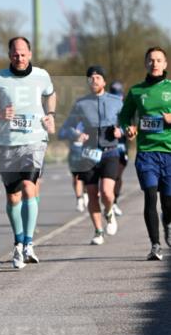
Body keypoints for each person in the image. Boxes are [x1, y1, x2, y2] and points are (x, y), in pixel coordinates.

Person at [0, 37, 56, 269]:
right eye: (15, 54)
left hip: (34, 141)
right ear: (9, 55)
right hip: (8, 143)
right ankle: (18, 241)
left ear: (30, 54)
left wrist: (50, 113)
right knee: (13, 196)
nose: (19, 58)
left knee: (28, 186)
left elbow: (50, 94)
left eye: (23, 54)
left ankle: (29, 244)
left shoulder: (42, 76)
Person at [109, 47, 171, 260]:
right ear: (145, 63)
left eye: (159, 60)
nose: (155, 64)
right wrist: (129, 128)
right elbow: (125, 117)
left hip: (169, 153)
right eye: (151, 60)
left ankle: (168, 222)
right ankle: (155, 245)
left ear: (165, 64)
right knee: (150, 196)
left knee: (168, 203)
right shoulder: (136, 92)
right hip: (146, 153)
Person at [60, 66, 123, 246]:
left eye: (97, 77)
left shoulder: (116, 101)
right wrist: (76, 135)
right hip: (88, 154)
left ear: (104, 81)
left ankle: (109, 213)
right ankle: (98, 231)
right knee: (92, 194)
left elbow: (128, 123)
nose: (94, 80)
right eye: (90, 78)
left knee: (107, 193)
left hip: (110, 152)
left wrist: (122, 131)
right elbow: (66, 128)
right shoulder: (81, 104)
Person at [108, 79, 127, 216]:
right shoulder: (105, 106)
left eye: (119, 94)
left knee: (118, 175)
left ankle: (114, 202)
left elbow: (134, 126)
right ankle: (108, 200)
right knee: (109, 176)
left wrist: (127, 131)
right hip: (106, 146)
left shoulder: (127, 107)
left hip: (121, 145)